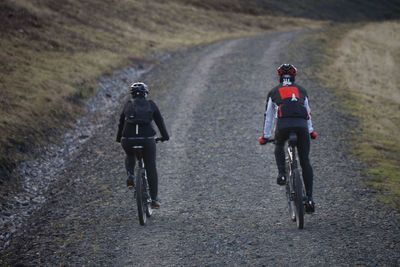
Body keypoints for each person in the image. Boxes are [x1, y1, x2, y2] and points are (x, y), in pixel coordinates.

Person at [258, 64, 317, 213]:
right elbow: (307, 113)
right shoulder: (302, 91)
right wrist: (311, 131)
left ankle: (282, 175)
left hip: (283, 126)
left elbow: (269, 117)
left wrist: (265, 137)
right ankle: (309, 198)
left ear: (280, 77)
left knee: (278, 145)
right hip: (302, 126)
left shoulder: (274, 91)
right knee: (305, 162)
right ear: (294, 77)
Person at [116, 82, 169, 209]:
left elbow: (121, 123)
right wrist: (165, 137)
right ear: (145, 93)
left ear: (132, 94)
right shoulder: (151, 104)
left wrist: (119, 139)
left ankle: (130, 174)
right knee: (150, 166)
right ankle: (155, 199)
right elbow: (160, 122)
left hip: (128, 139)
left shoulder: (128, 105)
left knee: (129, 154)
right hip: (147, 139)